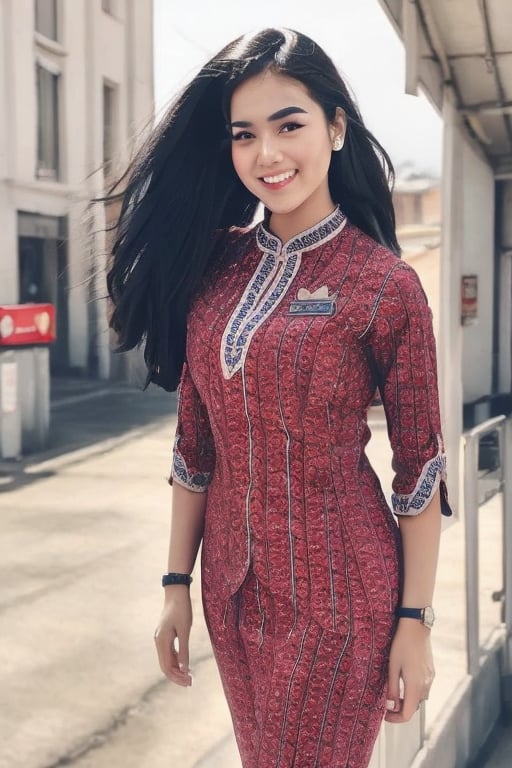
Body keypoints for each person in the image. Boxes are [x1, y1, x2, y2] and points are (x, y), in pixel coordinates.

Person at [106, 27, 452, 768]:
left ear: (334, 126)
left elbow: (421, 466)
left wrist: (414, 621)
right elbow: (194, 448)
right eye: (245, 135)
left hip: (343, 600)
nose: (268, 154)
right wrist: (176, 584)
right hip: (231, 593)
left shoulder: (383, 286)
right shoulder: (214, 271)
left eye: (289, 125)